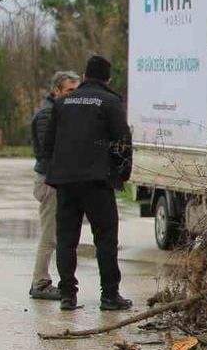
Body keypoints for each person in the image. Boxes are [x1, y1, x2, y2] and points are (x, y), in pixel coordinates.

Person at [42, 55, 134, 311]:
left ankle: (67, 296)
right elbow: (122, 143)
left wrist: (57, 169)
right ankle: (109, 296)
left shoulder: (62, 103)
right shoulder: (111, 102)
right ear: (108, 79)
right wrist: (122, 174)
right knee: (105, 239)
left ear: (83, 77)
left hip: (66, 182)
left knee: (66, 240)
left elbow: (48, 144)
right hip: (97, 182)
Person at [29, 71, 81, 300]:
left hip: (56, 179)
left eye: (76, 90)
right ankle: (39, 283)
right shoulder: (48, 113)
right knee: (49, 236)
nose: (74, 95)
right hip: (49, 181)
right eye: (70, 90)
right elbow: (47, 149)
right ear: (57, 91)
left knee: (56, 235)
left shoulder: (58, 111)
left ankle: (43, 281)